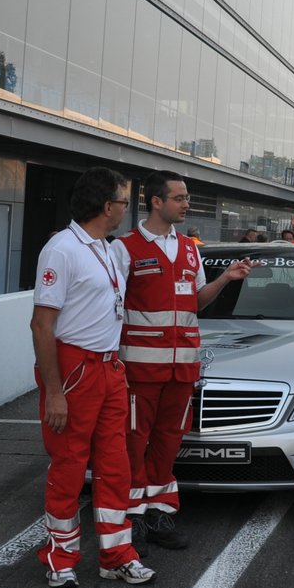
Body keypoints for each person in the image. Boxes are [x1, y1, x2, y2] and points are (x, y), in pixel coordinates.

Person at [113, 171, 251, 554]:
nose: (186, 203)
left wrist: (226, 278)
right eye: (179, 198)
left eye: (186, 197)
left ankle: (159, 512)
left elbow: (197, 303)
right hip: (139, 368)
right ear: (157, 201)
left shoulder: (190, 249)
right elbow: (110, 308)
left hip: (182, 368)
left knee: (168, 442)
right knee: (134, 441)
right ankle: (132, 514)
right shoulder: (124, 248)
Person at [29, 167, 153, 588]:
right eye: (122, 202)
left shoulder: (107, 249)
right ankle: (60, 558)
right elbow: (42, 325)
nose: (125, 210)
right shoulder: (62, 249)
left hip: (108, 367)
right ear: (105, 206)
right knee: (68, 465)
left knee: (115, 465)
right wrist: (55, 393)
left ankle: (116, 555)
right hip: (75, 369)